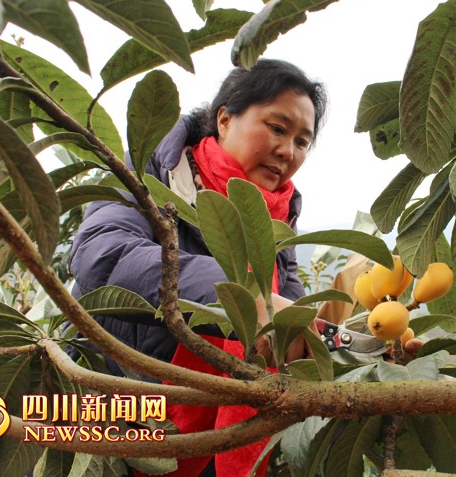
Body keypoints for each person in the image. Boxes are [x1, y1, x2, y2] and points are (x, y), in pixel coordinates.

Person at [68, 59, 328, 477]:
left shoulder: (278, 221)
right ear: (224, 119)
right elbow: (101, 253)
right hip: (110, 422)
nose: (288, 151)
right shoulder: (151, 174)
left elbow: (290, 323)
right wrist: (242, 303)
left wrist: (371, 348)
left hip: (221, 442)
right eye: (278, 128)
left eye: (302, 141)